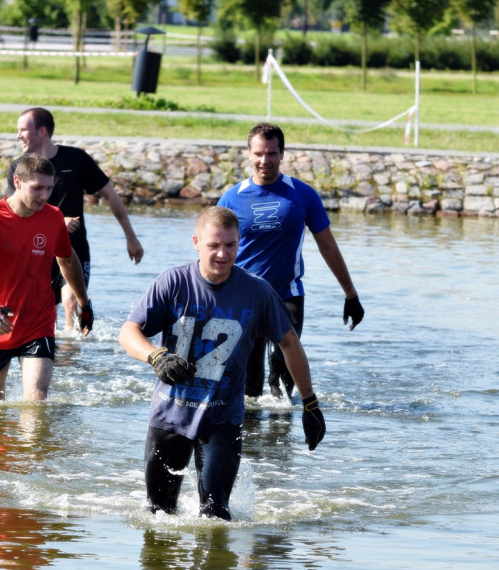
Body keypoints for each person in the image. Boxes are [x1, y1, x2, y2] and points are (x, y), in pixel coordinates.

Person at [118, 206, 326, 521]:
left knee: (216, 517)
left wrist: (309, 403)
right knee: (158, 516)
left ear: (239, 243)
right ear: (196, 242)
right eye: (214, 245)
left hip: (223, 418)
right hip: (170, 415)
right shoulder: (173, 283)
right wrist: (155, 355)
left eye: (230, 245)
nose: (222, 254)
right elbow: (129, 331)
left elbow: (289, 343)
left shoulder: (257, 291)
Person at [217, 123, 365, 401]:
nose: (265, 161)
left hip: (288, 295)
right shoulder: (231, 199)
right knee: (249, 384)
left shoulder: (302, 194)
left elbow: (328, 245)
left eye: (272, 153)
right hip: (243, 295)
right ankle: (252, 442)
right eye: (259, 153)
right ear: (248, 153)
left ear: (282, 153)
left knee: (282, 375)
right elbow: (214, 251)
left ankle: (280, 439)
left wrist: (351, 294)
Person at [0, 153, 94, 402]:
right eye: (37, 188)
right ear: (18, 181)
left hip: (38, 323)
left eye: (49, 189)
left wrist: (84, 303)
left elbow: (66, 259)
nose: (44, 196)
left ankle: (32, 443)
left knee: (36, 401)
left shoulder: (53, 216)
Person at [7, 107, 144, 329]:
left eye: (23, 129)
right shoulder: (19, 168)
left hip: (74, 250)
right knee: (40, 312)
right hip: (36, 249)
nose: (18, 135)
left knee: (70, 302)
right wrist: (57, 223)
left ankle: (71, 357)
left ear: (42, 131)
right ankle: (50, 353)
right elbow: (14, 211)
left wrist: (131, 237)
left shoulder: (76, 158)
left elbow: (110, 195)